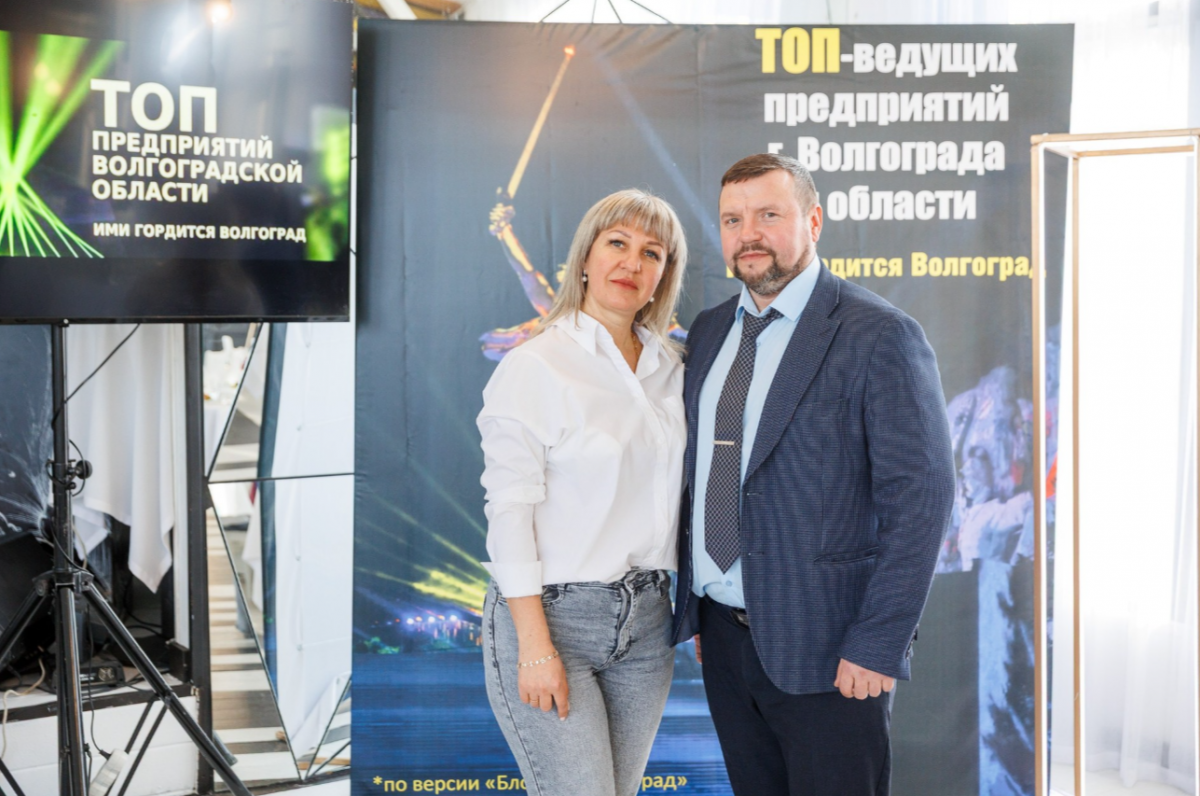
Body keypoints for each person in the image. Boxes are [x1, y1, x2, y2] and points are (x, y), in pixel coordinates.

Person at [671, 153, 955, 796]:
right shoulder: (710, 331)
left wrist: (879, 642)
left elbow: (924, 499)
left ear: (814, 221)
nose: (749, 234)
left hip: (833, 651)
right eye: (733, 220)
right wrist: (705, 602)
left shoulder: (880, 333)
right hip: (724, 641)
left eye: (769, 215)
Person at [477, 188, 689, 796]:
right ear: (586, 258)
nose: (631, 262)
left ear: (663, 276)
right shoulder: (536, 364)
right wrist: (534, 646)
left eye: (652, 252)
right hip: (552, 619)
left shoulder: (673, 368)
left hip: (649, 621)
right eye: (617, 243)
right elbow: (509, 511)